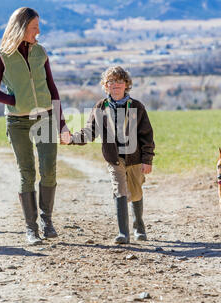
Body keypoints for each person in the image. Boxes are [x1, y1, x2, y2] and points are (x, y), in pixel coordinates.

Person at [0, 7, 69, 245]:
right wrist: (15, 100)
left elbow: (52, 89)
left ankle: (47, 221)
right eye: (34, 27)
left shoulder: (40, 52)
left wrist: (62, 124)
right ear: (21, 27)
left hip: (45, 117)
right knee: (27, 173)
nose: (38, 31)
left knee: (49, 169)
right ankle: (31, 228)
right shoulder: (1, 55)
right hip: (17, 121)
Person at [61, 66, 155, 244]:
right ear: (106, 86)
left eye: (119, 81)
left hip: (134, 157)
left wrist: (147, 159)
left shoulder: (136, 106)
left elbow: (147, 136)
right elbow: (90, 131)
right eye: (111, 82)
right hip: (114, 158)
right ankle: (123, 233)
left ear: (126, 84)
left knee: (135, 193)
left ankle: (139, 226)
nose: (116, 85)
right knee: (119, 190)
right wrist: (71, 139)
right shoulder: (100, 107)